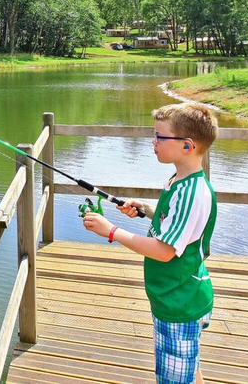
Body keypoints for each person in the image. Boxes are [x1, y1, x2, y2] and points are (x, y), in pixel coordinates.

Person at [82, 102, 218, 384]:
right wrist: (145, 208)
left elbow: (165, 251)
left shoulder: (192, 192)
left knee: (175, 379)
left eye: (160, 136)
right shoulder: (180, 180)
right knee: (189, 369)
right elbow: (179, 222)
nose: (153, 142)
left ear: (187, 146)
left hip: (180, 302)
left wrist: (112, 231)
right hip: (179, 295)